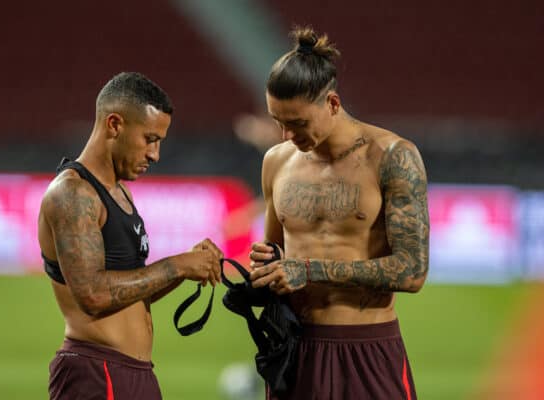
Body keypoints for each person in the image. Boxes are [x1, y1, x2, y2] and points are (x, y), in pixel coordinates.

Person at [249, 27, 429, 400]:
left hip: (367, 350)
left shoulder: (393, 156)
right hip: (295, 351)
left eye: (298, 123)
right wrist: (265, 269)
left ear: (332, 103)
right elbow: (274, 254)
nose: (286, 135)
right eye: (278, 121)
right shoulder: (276, 162)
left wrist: (307, 270)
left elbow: (412, 271)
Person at [38, 72, 223, 399]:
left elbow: (131, 293)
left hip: (133, 375)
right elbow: (93, 295)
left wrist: (189, 267)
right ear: (114, 124)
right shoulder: (73, 194)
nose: (155, 154)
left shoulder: (121, 194)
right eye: (150, 139)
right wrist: (178, 266)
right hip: (97, 373)